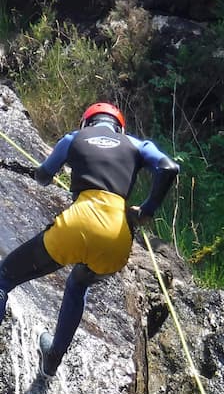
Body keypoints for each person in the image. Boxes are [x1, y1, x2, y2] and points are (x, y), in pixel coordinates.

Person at [0, 102, 180, 377]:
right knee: (78, 285)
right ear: (119, 127)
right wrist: (146, 210)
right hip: (117, 239)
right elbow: (169, 168)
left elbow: (45, 176)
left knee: (4, 278)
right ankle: (52, 360)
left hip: (76, 226)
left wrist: (40, 174)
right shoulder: (136, 145)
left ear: (87, 123)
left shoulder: (74, 139)